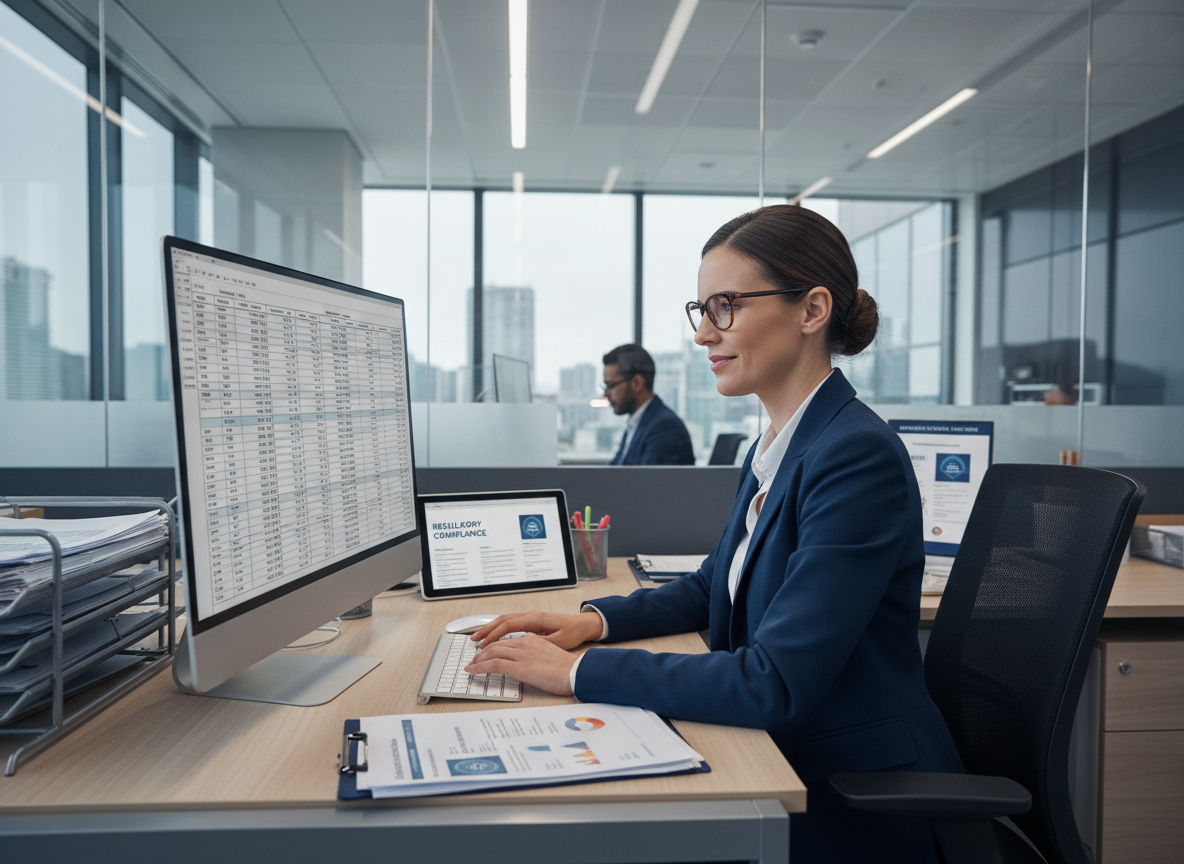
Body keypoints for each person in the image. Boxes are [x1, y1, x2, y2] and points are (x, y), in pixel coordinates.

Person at [465, 205, 964, 863]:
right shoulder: (782, 444)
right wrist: (591, 623)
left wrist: (578, 672)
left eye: (725, 307)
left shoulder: (855, 455)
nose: (704, 335)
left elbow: (773, 683)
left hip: (847, 789)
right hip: (779, 754)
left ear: (812, 310)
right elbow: (709, 587)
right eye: (700, 311)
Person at [602, 343, 694, 465]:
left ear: (637, 383)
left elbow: (648, 483)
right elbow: (614, 473)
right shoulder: (637, 423)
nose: (606, 395)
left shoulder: (664, 428)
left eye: (610, 386)